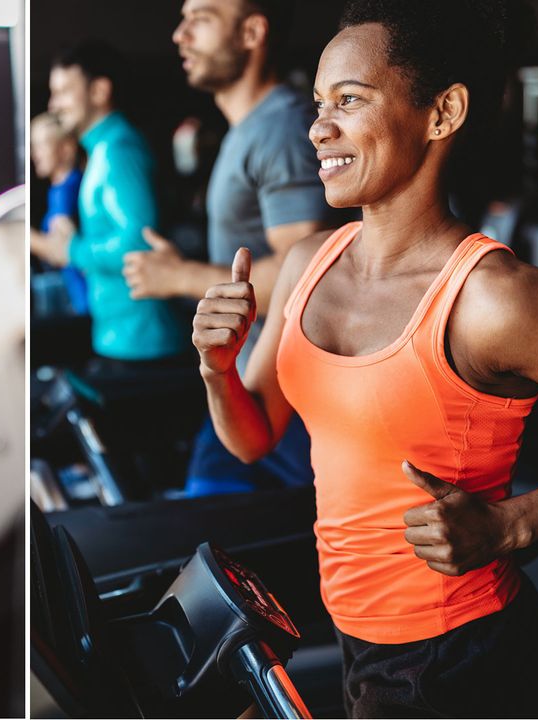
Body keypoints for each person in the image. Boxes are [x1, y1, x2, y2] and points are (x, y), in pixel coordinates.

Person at [194, 0, 538, 715]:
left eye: (349, 100)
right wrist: (218, 369)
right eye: (319, 103)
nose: (319, 127)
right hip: (360, 634)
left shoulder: (494, 301)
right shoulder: (304, 264)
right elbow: (254, 437)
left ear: (442, 113)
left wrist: (518, 522)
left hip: (461, 653)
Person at [125, 0, 337, 496]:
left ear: (251, 32)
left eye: (201, 18)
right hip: (243, 383)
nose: (180, 35)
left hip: (285, 402)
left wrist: (178, 277)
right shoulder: (250, 127)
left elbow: (300, 268)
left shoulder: (282, 128)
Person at [30, 40, 188, 364]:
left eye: (63, 91)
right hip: (122, 337)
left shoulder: (119, 150)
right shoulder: (102, 150)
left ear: (99, 91)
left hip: (141, 341)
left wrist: (71, 249)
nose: (54, 103)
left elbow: (139, 243)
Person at [30, 111, 87, 317]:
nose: (35, 154)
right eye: (33, 146)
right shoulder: (58, 190)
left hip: (84, 303)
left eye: (42, 145)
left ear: (66, 149)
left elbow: (59, 253)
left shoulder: (69, 190)